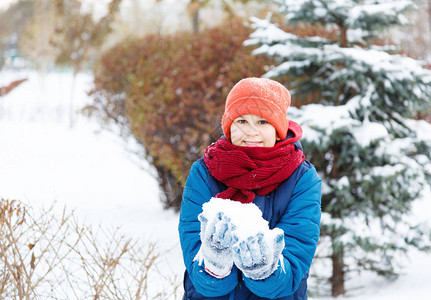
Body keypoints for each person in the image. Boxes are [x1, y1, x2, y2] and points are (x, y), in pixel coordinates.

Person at [178, 77, 321, 300]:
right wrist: (214, 266)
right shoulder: (204, 172)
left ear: (278, 130)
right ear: (229, 126)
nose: (251, 132)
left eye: (263, 122)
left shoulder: (301, 178)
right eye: (241, 121)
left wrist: (266, 273)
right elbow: (193, 248)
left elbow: (296, 255)